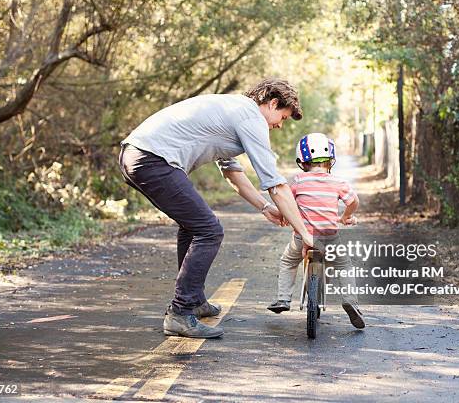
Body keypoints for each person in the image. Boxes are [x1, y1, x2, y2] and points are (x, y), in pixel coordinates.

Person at [118, 79, 315, 338]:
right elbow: (276, 184)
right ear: (272, 103)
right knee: (209, 230)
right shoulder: (250, 117)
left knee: (193, 226)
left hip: (137, 156)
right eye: (283, 117)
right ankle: (180, 312)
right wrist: (306, 234)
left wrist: (265, 208)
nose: (279, 125)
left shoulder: (232, 112)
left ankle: (194, 301)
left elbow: (233, 175)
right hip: (152, 159)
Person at [267, 132, 365, 329]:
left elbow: (286, 202)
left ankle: (284, 299)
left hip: (303, 236)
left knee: (288, 261)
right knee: (344, 265)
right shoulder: (338, 182)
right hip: (330, 236)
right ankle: (350, 301)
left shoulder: (298, 182)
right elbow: (353, 201)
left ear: (302, 162)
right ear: (330, 161)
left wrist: (285, 215)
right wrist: (345, 216)